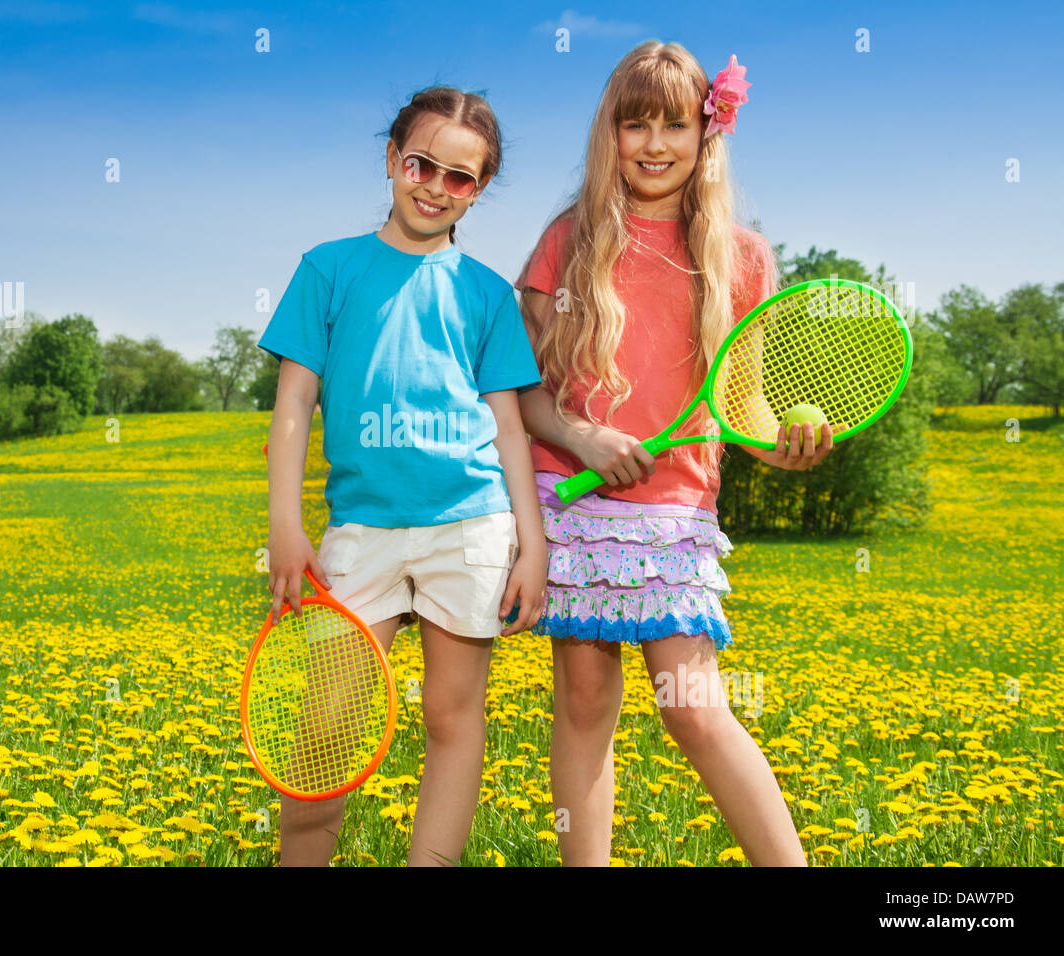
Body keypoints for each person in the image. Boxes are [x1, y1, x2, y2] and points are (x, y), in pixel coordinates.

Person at [516, 41, 836, 866]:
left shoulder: (744, 256)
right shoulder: (568, 239)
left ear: (708, 132)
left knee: (691, 706)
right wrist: (581, 434)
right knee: (584, 703)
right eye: (635, 123)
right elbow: (519, 389)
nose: (655, 143)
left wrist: (779, 449)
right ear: (610, 134)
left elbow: (743, 405)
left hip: (675, 510)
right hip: (573, 498)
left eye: (674, 124)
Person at [259, 86, 548, 866]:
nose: (436, 187)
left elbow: (510, 426)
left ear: (478, 191)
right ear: (392, 160)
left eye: (461, 178)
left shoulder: (487, 293)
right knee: (325, 728)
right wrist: (285, 527)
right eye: (422, 164)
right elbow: (293, 410)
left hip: (471, 525)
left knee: (454, 721)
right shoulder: (328, 270)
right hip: (361, 531)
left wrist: (533, 544)